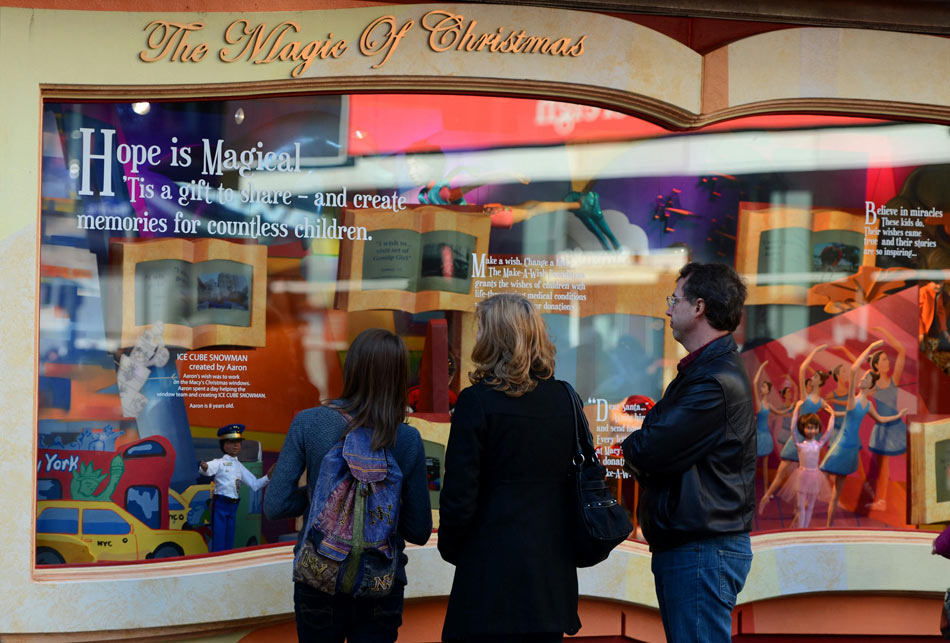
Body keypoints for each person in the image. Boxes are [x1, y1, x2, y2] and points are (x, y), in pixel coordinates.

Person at [263, 328, 432, 642]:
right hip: (380, 588)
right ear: (398, 377)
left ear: (351, 368)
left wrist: (316, 498)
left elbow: (275, 505)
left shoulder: (309, 423)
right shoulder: (407, 439)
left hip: (318, 583)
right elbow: (420, 530)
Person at [621, 262, 755, 643]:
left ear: (698, 307)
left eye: (674, 299)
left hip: (702, 550)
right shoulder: (706, 372)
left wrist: (635, 447)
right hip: (698, 547)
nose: (667, 309)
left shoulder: (713, 380)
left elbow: (648, 450)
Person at [438, 293, 581, 641]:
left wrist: (454, 548)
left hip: (489, 568)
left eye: (483, 328)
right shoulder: (565, 397)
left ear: (495, 339)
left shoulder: (477, 402)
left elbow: (459, 492)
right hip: (549, 570)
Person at [820, 340, 907, 527]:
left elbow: (880, 419)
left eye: (866, 378)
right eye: (863, 377)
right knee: (818, 481)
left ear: (869, 384)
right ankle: (802, 511)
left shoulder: (868, 404)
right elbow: (853, 370)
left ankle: (828, 526)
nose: (862, 378)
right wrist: (870, 348)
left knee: (836, 493)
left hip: (851, 449)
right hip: (841, 446)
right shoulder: (853, 399)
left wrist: (898, 415)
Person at [759, 344, 831, 517]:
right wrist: (814, 351)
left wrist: (835, 415)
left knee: (807, 476)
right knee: (782, 471)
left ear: (818, 382)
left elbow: (832, 411)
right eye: (811, 377)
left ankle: (800, 514)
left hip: (811, 439)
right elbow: (803, 369)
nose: (811, 378)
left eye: (815, 377)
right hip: (798, 436)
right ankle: (766, 496)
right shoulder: (805, 397)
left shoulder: (821, 401)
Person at [199, 423, 272, 552]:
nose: (236, 445)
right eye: (232, 442)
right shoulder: (220, 462)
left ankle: (226, 562)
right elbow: (209, 468)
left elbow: (254, 485)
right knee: (219, 538)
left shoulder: (239, 466)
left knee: (229, 538)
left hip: (233, 507)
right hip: (220, 504)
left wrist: (268, 477)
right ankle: (218, 563)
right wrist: (204, 467)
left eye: (238, 442)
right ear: (224, 444)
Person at [778, 412, 834, 528]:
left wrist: (832, 415)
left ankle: (806, 527)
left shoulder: (818, 444)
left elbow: (829, 431)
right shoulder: (800, 445)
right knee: (800, 505)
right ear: (803, 428)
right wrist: (797, 410)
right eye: (809, 428)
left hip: (815, 476)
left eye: (815, 428)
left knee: (811, 506)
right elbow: (793, 429)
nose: (812, 431)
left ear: (818, 429)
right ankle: (800, 528)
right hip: (802, 476)